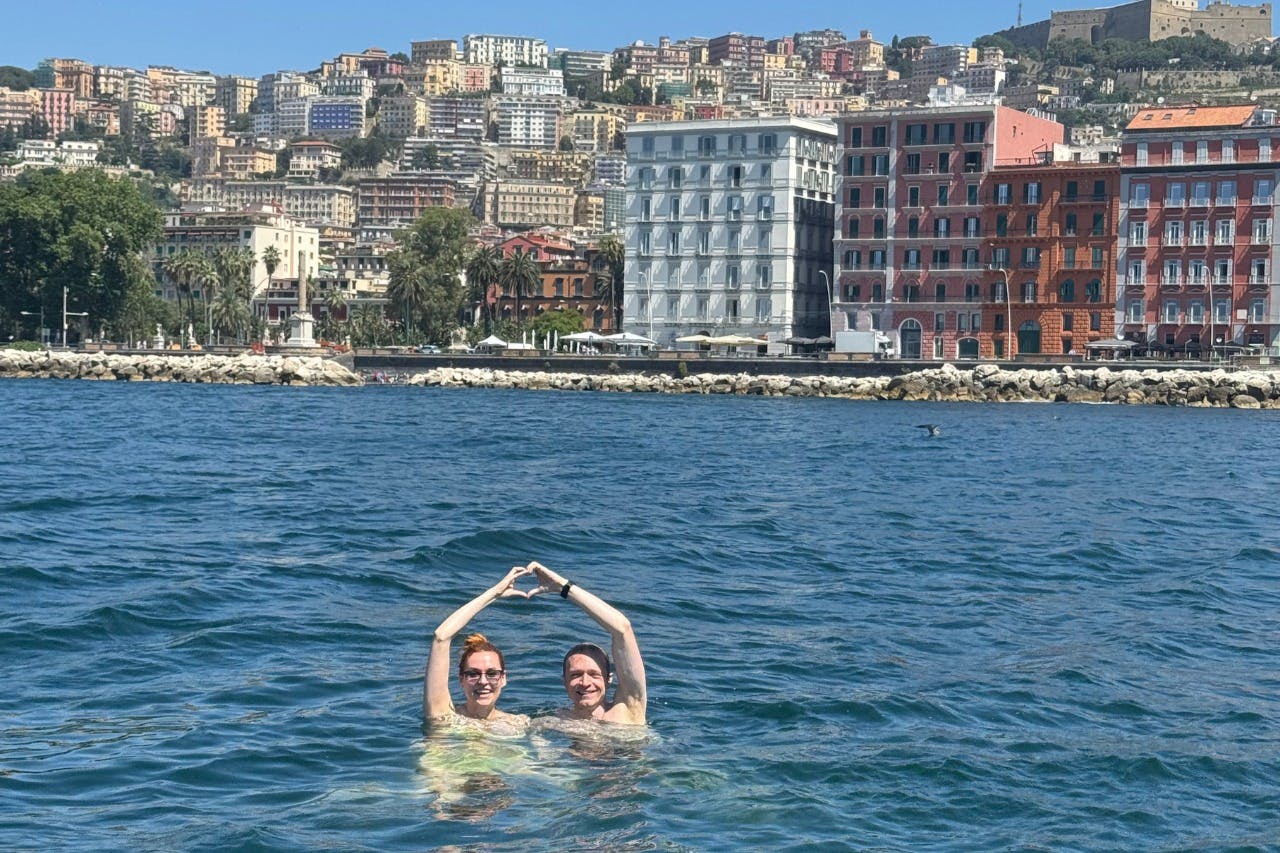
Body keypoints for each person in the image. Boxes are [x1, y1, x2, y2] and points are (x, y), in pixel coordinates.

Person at [526, 561, 647, 725]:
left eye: (594, 674)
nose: (585, 683)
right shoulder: (554, 722)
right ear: (564, 681)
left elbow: (622, 629)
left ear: (609, 679)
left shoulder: (627, 709)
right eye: (575, 675)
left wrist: (564, 588)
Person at [424, 566, 534, 731]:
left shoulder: (518, 724)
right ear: (461, 679)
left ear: (503, 678)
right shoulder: (445, 717)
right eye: (473, 674)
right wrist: (494, 593)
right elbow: (441, 637)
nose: (483, 681)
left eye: (492, 673)